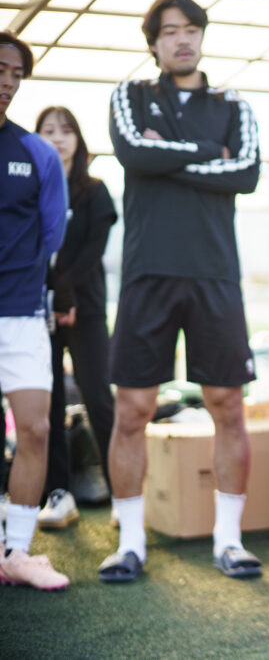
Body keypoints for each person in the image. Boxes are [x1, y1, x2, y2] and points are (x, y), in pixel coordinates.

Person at [101, 0, 261, 583]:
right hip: (148, 272)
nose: (182, 38)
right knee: (133, 409)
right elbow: (131, 151)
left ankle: (229, 541)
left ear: (202, 36)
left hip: (215, 274)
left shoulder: (233, 105)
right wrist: (206, 154)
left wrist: (165, 158)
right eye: (170, 31)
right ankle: (130, 544)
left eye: (191, 28)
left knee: (228, 406)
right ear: (154, 43)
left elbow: (246, 171)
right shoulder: (129, 95)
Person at [0, 31, 71, 590]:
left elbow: (52, 232)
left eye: (16, 75)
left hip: (23, 313)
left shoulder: (37, 153)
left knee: (37, 428)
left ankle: (16, 554)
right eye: (0, 70)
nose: (7, 82)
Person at [33, 106, 118, 529]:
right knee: (47, 403)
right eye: (48, 130)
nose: (58, 138)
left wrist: (65, 293)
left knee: (99, 398)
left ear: (78, 140)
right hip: (38, 311)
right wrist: (51, 296)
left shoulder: (95, 191)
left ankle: (122, 492)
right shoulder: (30, 190)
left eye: (66, 130)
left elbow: (93, 250)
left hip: (86, 308)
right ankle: (59, 493)